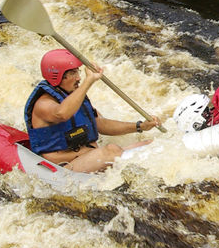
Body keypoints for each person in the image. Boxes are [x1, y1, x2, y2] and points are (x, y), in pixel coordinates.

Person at [26, 49, 160, 172]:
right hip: (63, 167)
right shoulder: (43, 104)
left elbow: (101, 124)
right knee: (110, 151)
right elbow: (62, 113)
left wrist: (140, 126)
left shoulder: (74, 95)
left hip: (90, 157)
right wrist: (88, 81)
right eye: (72, 73)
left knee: (150, 144)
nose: (78, 77)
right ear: (57, 76)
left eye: (77, 71)